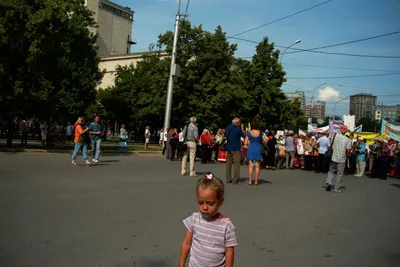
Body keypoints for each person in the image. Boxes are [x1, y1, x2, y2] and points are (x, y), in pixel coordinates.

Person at [179, 172, 237, 267]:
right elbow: (186, 244)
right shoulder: (194, 220)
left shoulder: (227, 226)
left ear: (221, 202)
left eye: (210, 204)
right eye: (201, 203)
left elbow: (229, 252)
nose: (205, 207)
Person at [325, 125, 352, 193]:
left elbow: (329, 142)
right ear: (346, 131)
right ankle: (336, 188)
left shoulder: (333, 135)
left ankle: (329, 182)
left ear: (340, 129)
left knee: (331, 170)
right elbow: (348, 151)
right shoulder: (347, 140)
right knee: (339, 173)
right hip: (342, 158)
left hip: (333, 156)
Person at [243, 120, 268, 185]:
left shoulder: (249, 133)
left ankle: (250, 181)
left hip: (251, 148)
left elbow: (245, 142)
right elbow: (266, 140)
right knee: (257, 166)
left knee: (250, 166)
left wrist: (247, 145)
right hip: (258, 148)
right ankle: (256, 181)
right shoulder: (260, 132)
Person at [225, 118, 245, 184]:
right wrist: (242, 128)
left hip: (228, 147)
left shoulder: (228, 128)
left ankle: (228, 178)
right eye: (239, 123)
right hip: (236, 148)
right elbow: (244, 135)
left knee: (228, 164)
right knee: (236, 164)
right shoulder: (238, 129)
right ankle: (235, 179)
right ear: (237, 123)